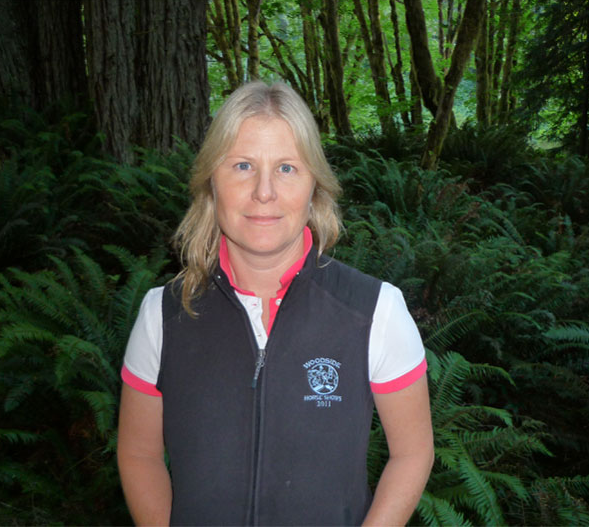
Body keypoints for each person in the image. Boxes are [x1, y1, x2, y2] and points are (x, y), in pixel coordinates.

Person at [117, 81, 434, 526]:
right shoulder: (163, 316)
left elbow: (413, 452)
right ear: (211, 182)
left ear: (314, 185)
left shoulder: (374, 311)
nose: (264, 191)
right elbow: (139, 453)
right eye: (242, 165)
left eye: (287, 168)